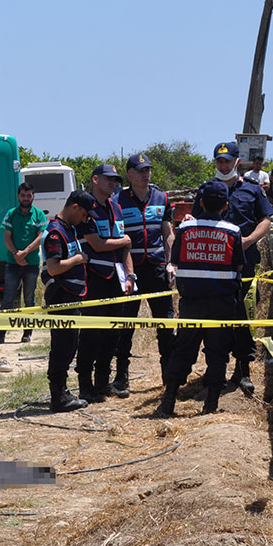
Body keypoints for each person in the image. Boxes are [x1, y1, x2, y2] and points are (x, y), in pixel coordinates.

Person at [155, 180, 244, 417]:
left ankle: (168, 402)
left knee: (183, 350)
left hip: (191, 304)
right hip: (222, 305)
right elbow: (238, 266)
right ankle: (211, 405)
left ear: (201, 203)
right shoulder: (233, 232)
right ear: (226, 205)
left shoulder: (184, 230)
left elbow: (175, 263)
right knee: (217, 353)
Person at [191, 141, 273, 395]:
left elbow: (266, 219)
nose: (222, 165)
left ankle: (243, 370)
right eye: (219, 161)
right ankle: (214, 368)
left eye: (227, 161)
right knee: (212, 317)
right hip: (212, 268)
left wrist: (249, 241)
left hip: (245, 264)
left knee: (243, 315)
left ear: (237, 162)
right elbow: (195, 221)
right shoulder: (206, 190)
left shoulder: (252, 190)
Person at [111, 153, 174, 396]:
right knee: (125, 325)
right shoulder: (117, 201)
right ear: (129, 175)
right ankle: (121, 376)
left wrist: (171, 264)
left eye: (147, 169)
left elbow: (168, 232)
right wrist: (125, 273)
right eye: (140, 170)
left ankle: (169, 375)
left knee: (166, 323)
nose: (145, 173)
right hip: (130, 273)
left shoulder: (161, 196)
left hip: (158, 269)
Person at [75, 165, 134, 403]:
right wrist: (123, 241)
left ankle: (102, 383)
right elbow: (97, 244)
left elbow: (125, 247)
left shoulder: (116, 207)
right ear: (95, 179)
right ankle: (85, 386)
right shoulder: (86, 209)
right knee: (90, 335)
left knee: (112, 334)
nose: (113, 183)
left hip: (116, 279)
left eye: (116, 180)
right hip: (94, 279)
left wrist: (130, 276)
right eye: (109, 179)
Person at [40, 190, 95, 412]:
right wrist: (78, 259)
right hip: (62, 297)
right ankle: (58, 396)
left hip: (72, 296)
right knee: (62, 347)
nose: (84, 219)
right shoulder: (56, 233)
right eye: (83, 214)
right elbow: (53, 268)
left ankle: (62, 391)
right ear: (74, 208)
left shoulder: (68, 229)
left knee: (69, 345)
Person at [0, 182, 48, 344]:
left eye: (29, 195)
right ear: (18, 196)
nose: (26, 198)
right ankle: (1, 335)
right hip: (12, 263)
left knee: (29, 300)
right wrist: (17, 254)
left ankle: (27, 334)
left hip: (31, 264)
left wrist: (25, 253)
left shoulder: (39, 215)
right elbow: (7, 238)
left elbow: (40, 238)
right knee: (7, 299)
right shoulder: (11, 214)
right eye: (23, 195)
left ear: (33, 196)